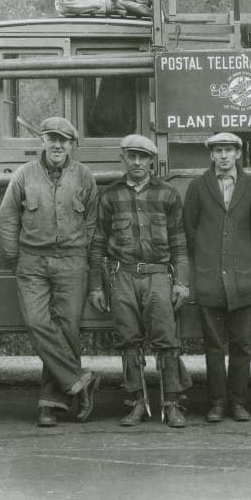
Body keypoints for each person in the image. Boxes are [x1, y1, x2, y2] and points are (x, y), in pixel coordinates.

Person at [0, 116, 101, 427]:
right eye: (51, 138)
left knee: (66, 330)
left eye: (64, 140)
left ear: (72, 145)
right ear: (42, 141)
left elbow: (92, 224)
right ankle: (79, 379)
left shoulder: (84, 178)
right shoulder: (24, 175)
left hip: (72, 262)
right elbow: (7, 218)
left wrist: (83, 257)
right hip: (32, 263)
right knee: (36, 322)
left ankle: (51, 404)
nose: (57, 145)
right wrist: (15, 258)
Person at [87, 134, 193, 428]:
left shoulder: (168, 194)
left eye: (142, 157)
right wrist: (96, 285)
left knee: (166, 339)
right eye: (131, 156)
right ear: (124, 159)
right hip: (121, 275)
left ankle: (172, 404)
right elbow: (97, 244)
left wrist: (182, 281)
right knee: (128, 340)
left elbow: (180, 243)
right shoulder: (109, 196)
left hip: (158, 274)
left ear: (151, 162)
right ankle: (136, 403)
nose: (136, 162)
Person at [183, 131, 251, 423]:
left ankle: (238, 402)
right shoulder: (198, 187)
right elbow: (190, 231)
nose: (224, 156)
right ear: (211, 155)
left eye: (229, 150)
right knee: (213, 346)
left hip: (244, 279)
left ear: (238, 154)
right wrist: (204, 262)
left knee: (242, 344)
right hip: (210, 278)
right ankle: (216, 402)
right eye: (218, 150)